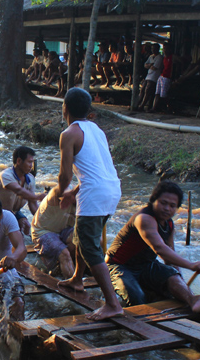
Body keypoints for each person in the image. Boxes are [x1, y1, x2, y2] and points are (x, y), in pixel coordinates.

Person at [54, 87, 123, 321]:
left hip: (94, 194)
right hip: (111, 189)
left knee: (90, 247)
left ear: (65, 108)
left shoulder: (69, 134)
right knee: (82, 238)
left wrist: (59, 192)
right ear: (88, 111)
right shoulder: (97, 130)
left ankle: (113, 304)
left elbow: (65, 176)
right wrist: (73, 193)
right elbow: (95, 169)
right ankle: (77, 279)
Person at [106, 181, 200, 311]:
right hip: (118, 266)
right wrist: (191, 265)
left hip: (146, 265)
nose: (167, 208)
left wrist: (180, 283)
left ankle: (193, 300)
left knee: (172, 276)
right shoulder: (144, 219)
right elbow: (159, 248)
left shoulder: (169, 225)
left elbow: (170, 257)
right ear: (153, 201)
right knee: (137, 297)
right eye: (163, 203)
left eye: (172, 206)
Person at [0, 146, 45, 235]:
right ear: (19, 161)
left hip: (13, 212)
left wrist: (43, 221)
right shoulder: (6, 175)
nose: (31, 166)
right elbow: (18, 190)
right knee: (13, 231)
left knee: (26, 225)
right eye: (29, 162)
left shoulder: (30, 178)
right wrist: (38, 197)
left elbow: (32, 203)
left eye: (32, 162)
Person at [31, 188, 76, 279]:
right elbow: (60, 189)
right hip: (43, 232)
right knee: (64, 254)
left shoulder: (85, 201)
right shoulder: (56, 194)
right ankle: (72, 283)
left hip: (63, 230)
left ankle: (65, 268)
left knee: (81, 242)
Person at [138, 43, 163, 111]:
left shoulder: (160, 57)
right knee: (142, 89)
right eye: (152, 48)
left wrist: (149, 65)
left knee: (147, 90)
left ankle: (142, 105)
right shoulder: (151, 56)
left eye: (154, 48)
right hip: (148, 75)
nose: (153, 50)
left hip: (154, 76)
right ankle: (138, 103)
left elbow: (155, 67)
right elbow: (145, 65)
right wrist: (150, 65)